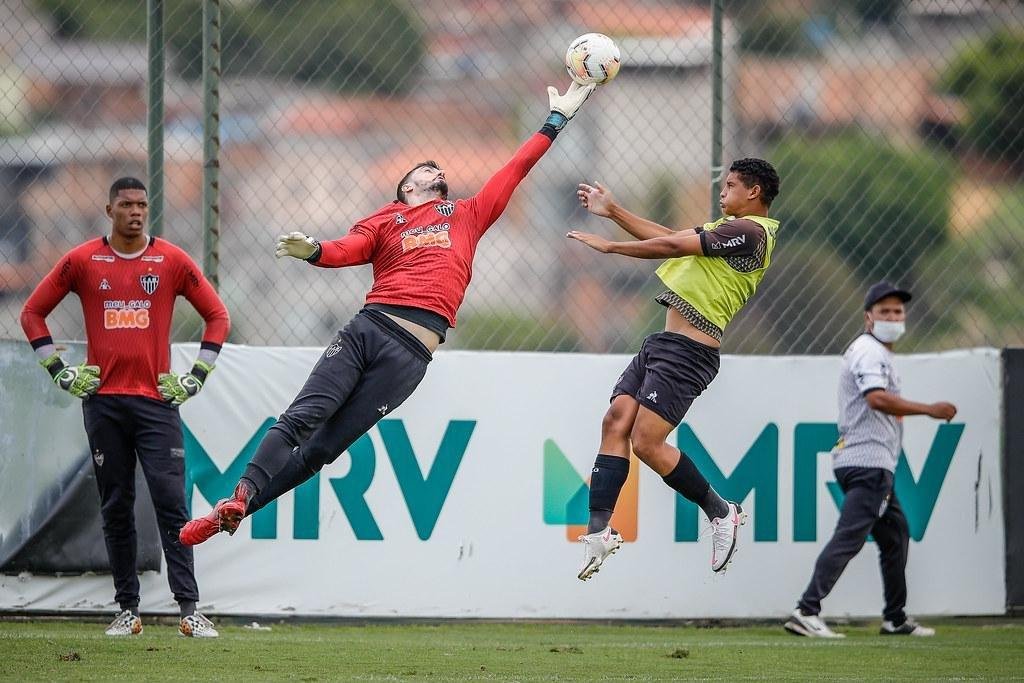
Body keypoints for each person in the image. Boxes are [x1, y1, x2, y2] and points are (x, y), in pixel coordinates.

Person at [178, 81, 597, 546]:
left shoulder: (467, 213)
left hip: (410, 356)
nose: (436, 169)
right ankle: (241, 492)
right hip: (369, 330)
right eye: (426, 168)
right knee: (303, 417)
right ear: (407, 187)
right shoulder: (386, 218)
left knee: (323, 450)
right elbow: (348, 248)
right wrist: (315, 250)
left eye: (439, 170)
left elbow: (516, 168)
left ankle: (234, 512)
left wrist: (555, 121)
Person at [19, 177, 229, 638]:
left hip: (156, 404)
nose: (135, 212)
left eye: (142, 205)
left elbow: (218, 316)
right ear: (109, 210)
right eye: (127, 204)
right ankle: (127, 611)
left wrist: (196, 375)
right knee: (116, 505)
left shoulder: (171, 260)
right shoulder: (82, 260)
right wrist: (58, 369)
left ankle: (189, 610)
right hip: (104, 404)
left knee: (172, 504)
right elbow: (31, 312)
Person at [564, 159, 781, 580]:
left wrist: (611, 248)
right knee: (616, 420)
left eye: (731, 185)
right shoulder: (726, 229)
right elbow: (670, 236)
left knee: (646, 442)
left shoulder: (752, 232)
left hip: (690, 352)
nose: (722, 192)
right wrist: (614, 211)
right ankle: (598, 532)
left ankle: (720, 511)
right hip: (664, 343)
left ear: (754, 192)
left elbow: (671, 247)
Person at [783, 282, 956, 638]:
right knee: (850, 536)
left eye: (897, 311)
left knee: (895, 535)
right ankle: (807, 609)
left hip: (871, 461)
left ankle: (895, 618)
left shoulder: (877, 353)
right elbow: (876, 398)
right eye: (884, 311)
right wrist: (929, 410)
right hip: (868, 462)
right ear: (868, 318)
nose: (892, 317)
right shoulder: (869, 351)